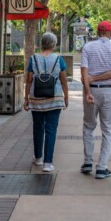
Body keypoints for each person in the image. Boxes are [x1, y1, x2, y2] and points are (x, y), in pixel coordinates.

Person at [80, 21, 111, 179]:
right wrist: (98, 78)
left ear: (98, 32)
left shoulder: (88, 47)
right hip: (108, 91)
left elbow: (84, 71)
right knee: (107, 129)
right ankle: (101, 167)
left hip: (91, 89)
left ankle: (87, 162)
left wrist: (88, 90)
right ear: (110, 33)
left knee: (88, 126)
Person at [23, 32, 69, 172]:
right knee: (51, 129)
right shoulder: (58, 59)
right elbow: (63, 80)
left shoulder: (33, 58)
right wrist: (66, 97)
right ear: (54, 44)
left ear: (42, 43)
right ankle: (48, 163)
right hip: (54, 98)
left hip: (36, 99)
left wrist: (26, 99)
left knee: (38, 128)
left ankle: (38, 158)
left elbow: (29, 79)